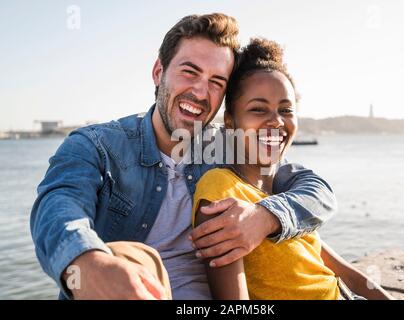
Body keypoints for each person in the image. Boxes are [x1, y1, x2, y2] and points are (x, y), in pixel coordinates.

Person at [30, 13, 337, 300]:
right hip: (128, 288)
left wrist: (265, 216)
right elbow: (57, 207)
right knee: (128, 254)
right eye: (190, 72)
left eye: (216, 82)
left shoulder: (227, 146)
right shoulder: (97, 146)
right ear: (158, 72)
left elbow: (316, 190)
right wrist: (87, 261)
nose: (201, 93)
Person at [192, 38, 394, 300]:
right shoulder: (220, 188)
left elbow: (347, 275)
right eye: (258, 109)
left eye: (286, 109)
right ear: (230, 121)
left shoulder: (284, 193)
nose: (276, 121)